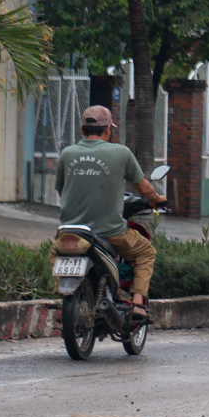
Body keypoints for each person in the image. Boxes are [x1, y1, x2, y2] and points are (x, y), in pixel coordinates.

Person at [55, 105, 164, 322]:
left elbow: (61, 190)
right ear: (108, 130)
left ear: (81, 129)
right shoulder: (121, 153)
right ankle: (138, 304)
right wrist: (157, 199)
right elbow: (143, 187)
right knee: (146, 252)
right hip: (109, 232)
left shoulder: (67, 154)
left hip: (69, 231)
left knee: (56, 254)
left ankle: (65, 297)